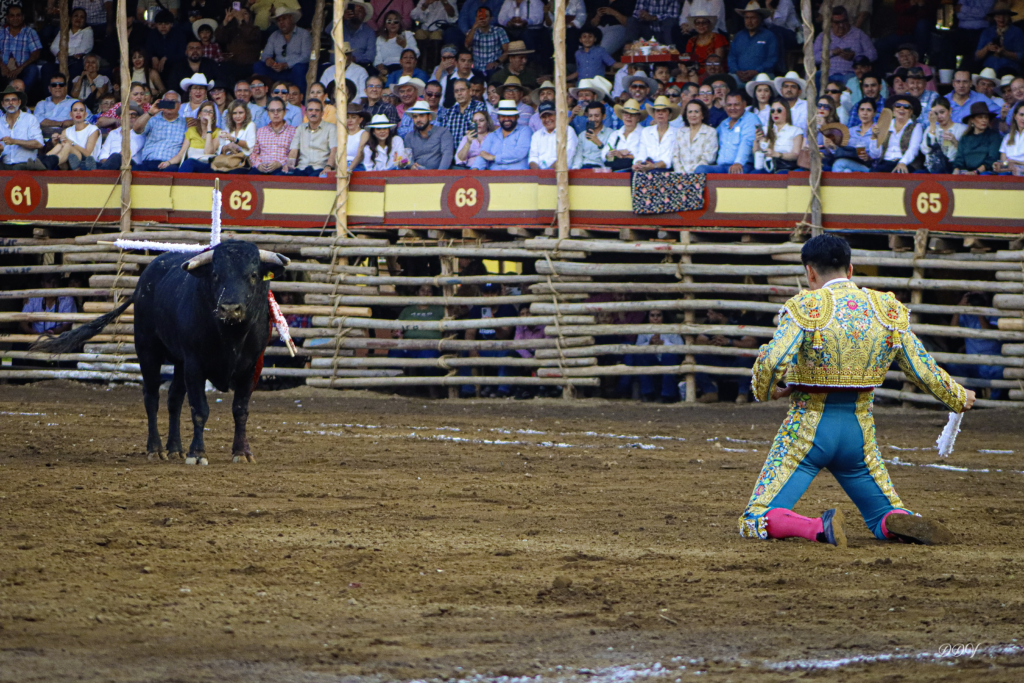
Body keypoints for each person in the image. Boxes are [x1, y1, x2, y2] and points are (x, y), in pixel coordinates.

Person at [739, 233, 974, 548]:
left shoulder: (806, 305)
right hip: (858, 432)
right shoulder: (886, 308)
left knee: (756, 518)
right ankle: (893, 519)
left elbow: (772, 360)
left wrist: (768, 391)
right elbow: (922, 369)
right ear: (850, 270)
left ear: (810, 271)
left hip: (807, 429)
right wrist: (959, 397)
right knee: (883, 515)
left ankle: (817, 528)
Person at [460, 284, 517, 399]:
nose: (489, 295)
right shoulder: (477, 308)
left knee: (508, 355)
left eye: (493, 292)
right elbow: (470, 332)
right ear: (482, 294)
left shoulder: (507, 308)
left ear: (499, 293)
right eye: (486, 292)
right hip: (482, 348)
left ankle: (503, 389)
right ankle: (468, 390)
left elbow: (505, 335)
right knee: (464, 354)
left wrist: (494, 324)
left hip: (501, 347)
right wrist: (471, 348)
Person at [615, 309, 682, 403]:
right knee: (641, 356)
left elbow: (681, 347)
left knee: (669, 356)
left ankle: (667, 395)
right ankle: (648, 393)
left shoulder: (671, 329)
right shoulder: (645, 330)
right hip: (651, 359)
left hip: (668, 360)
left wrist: (664, 343)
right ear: (648, 317)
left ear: (663, 316)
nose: (655, 318)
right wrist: (649, 344)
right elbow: (638, 348)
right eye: (652, 315)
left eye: (658, 315)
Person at [694, 308, 759, 404]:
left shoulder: (738, 323)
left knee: (746, 357)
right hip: (715, 362)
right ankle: (710, 392)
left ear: (720, 316)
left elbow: (751, 343)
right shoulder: (709, 323)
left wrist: (730, 342)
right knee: (696, 357)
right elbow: (699, 341)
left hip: (735, 362)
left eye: (711, 313)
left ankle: (743, 393)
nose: (708, 315)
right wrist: (710, 343)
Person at [947, 293, 1005, 399]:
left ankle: (994, 404)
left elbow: (988, 331)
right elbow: (953, 334)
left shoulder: (994, 313)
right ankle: (972, 397)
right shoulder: (965, 314)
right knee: (952, 365)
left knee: (1002, 371)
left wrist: (980, 313)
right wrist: (958, 309)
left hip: (992, 363)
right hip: (972, 363)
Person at [696, 91, 757, 173]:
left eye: (736, 104)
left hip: (743, 165)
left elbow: (747, 143)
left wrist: (738, 163)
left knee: (736, 172)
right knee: (701, 169)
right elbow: (710, 136)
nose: (732, 108)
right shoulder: (724, 123)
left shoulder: (751, 118)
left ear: (744, 104)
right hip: (722, 167)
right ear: (725, 106)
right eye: (729, 105)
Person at [813, 5, 876, 80]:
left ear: (848, 20)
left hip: (849, 74)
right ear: (831, 23)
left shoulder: (858, 34)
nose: (841, 25)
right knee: (813, 77)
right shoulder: (823, 35)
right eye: (837, 22)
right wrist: (831, 53)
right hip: (827, 74)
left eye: (844, 21)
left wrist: (855, 56)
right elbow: (813, 58)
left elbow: (873, 54)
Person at [255, 8, 311, 87]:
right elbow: (265, 54)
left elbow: (306, 56)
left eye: (284, 19)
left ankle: (300, 97)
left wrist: (287, 65)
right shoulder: (274, 35)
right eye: (279, 20)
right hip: (277, 70)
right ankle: (265, 95)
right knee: (258, 65)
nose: (281, 22)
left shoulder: (304, 34)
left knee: (300, 68)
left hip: (294, 70)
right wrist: (268, 60)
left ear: (291, 19)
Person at [132, 90, 187, 170]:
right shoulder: (152, 119)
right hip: (149, 162)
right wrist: (150, 112)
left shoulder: (185, 123)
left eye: (173, 102)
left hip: (170, 165)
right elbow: (136, 129)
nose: (169, 104)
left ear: (179, 105)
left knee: (172, 171)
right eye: (166, 102)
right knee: (135, 170)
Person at [470, 98, 530, 169]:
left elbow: (519, 153)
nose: (506, 119)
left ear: (517, 117)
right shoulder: (492, 135)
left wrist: (493, 157)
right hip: (494, 177)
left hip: (518, 176)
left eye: (510, 116)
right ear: (498, 118)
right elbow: (482, 155)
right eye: (503, 116)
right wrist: (475, 169)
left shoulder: (525, 131)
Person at [286, 98, 338, 175]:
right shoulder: (300, 128)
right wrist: (289, 166)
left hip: (320, 169)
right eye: (310, 110)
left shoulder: (331, 128)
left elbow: (334, 150)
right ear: (306, 113)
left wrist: (328, 166)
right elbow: (294, 150)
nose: (313, 113)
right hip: (301, 168)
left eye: (317, 110)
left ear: (322, 113)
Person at [41, 100, 98, 170]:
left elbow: (88, 153)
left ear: (85, 115)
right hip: (68, 161)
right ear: (71, 114)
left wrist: (72, 143)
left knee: (68, 145)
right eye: (75, 110)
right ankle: (42, 162)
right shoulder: (66, 131)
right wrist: (55, 142)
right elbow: (62, 150)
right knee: (59, 146)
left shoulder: (93, 129)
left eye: (81, 110)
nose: (78, 112)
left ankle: (44, 163)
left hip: (86, 161)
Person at [728, 1, 777, 83]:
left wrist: (756, 71)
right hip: (739, 76)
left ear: (760, 19)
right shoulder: (739, 36)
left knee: (763, 80)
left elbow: (772, 60)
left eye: (753, 18)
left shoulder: (769, 36)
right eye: (746, 18)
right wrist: (737, 71)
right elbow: (731, 57)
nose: (749, 21)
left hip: (760, 75)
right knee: (727, 82)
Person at [752, 98, 802, 173]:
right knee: (754, 174)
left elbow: (796, 154)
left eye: (779, 110)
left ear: (787, 111)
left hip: (785, 167)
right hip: (767, 166)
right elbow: (756, 153)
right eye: (772, 111)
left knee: (781, 174)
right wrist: (756, 141)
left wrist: (777, 154)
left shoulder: (795, 131)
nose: (775, 113)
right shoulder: (765, 130)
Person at [169, 100, 221, 172]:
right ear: (199, 115)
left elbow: (208, 152)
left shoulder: (218, 132)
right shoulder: (191, 130)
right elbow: (181, 154)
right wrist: (168, 162)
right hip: (191, 163)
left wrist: (209, 127)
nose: (207, 114)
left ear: (214, 117)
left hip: (208, 165)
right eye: (205, 111)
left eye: (210, 112)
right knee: (188, 163)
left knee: (191, 163)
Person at [249, 96, 296, 175]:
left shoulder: (293, 132)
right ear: (267, 113)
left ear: (284, 112)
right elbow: (253, 153)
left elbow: (295, 156)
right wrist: (258, 165)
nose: (276, 113)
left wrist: (280, 163)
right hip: (262, 168)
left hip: (282, 169)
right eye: (272, 111)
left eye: (279, 110)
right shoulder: (260, 131)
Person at [0, 5, 41, 93]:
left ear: (23, 17)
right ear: (7, 17)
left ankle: (19, 97)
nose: (15, 18)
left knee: (33, 70)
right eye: (12, 15)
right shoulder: (1, 32)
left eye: (18, 15)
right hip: (3, 69)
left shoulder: (30, 32)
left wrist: (20, 68)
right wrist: (2, 66)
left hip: (22, 69)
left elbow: (36, 53)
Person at [953, 101, 1003, 174]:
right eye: (980, 117)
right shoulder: (965, 138)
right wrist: (956, 170)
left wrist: (976, 172)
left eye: (986, 117)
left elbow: (992, 158)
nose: (984, 120)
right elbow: (959, 158)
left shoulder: (994, 136)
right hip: (966, 172)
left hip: (986, 173)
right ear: (972, 120)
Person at [217, 7, 262, 84]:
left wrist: (242, 21)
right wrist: (225, 22)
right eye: (239, 13)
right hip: (233, 65)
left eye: (245, 13)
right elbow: (219, 38)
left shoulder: (255, 29)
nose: (241, 15)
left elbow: (250, 37)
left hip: (249, 65)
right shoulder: (231, 30)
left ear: (250, 17)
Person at [403, 100, 454, 168]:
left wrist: (439, 175)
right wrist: (411, 166)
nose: (418, 119)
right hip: (416, 175)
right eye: (415, 116)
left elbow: (447, 155)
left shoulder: (443, 132)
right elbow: (408, 158)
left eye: (421, 115)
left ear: (429, 117)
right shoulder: (409, 137)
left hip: (437, 175)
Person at [669, 99, 717, 173]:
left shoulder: (710, 132)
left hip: (700, 174)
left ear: (703, 115)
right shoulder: (680, 131)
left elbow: (709, 157)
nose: (693, 115)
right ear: (686, 115)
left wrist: (692, 173)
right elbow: (675, 156)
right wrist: (681, 173)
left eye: (696, 112)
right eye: (690, 112)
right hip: (680, 175)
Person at [632, 96, 678, 171]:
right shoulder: (646, 131)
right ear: (654, 115)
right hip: (647, 167)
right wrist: (638, 164)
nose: (660, 113)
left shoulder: (677, 132)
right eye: (657, 111)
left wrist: (654, 166)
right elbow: (641, 153)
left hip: (666, 170)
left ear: (669, 115)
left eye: (664, 111)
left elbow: (671, 158)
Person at [922, 97, 966, 173]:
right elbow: (925, 150)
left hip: (954, 166)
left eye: (942, 112)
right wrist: (932, 125)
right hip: (934, 168)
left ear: (950, 110)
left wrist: (954, 142)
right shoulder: (930, 128)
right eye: (936, 113)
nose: (939, 116)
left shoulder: (961, 129)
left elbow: (967, 153)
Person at [437, 77, 487, 144]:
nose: (459, 93)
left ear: (470, 91)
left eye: (462, 90)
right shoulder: (449, 112)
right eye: (456, 91)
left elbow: (480, 133)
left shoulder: (479, 107)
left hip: (472, 150)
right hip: (452, 152)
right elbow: (443, 137)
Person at [527, 101, 575, 169]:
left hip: (562, 173)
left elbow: (567, 156)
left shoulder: (567, 131)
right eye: (544, 117)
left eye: (550, 115)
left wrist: (548, 173)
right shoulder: (536, 135)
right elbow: (533, 157)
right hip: (540, 175)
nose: (547, 119)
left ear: (557, 115)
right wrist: (538, 174)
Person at [98, 104, 146, 169]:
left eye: (133, 115)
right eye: (126, 114)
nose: (129, 117)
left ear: (138, 118)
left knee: (116, 156)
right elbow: (104, 153)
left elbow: (128, 153)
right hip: (111, 165)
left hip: (131, 165)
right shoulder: (113, 133)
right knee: (93, 164)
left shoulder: (140, 133)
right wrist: (107, 162)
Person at [49, 8, 92, 79]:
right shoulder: (63, 31)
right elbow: (53, 47)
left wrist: (63, 52)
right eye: (76, 16)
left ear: (85, 20)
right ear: (71, 18)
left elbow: (84, 49)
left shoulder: (88, 31)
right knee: (47, 68)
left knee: (74, 69)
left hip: (75, 62)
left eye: (82, 17)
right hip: (59, 62)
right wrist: (60, 53)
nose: (78, 18)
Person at [374, 10, 420, 76]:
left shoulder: (407, 35)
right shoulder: (380, 39)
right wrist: (381, 69)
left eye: (396, 21)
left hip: (404, 67)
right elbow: (378, 58)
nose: (392, 23)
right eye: (389, 21)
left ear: (400, 23)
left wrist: (404, 45)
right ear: (385, 24)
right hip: (387, 69)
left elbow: (416, 54)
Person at [465, 7, 509, 74]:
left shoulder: (499, 31)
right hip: (476, 68)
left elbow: (507, 50)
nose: (483, 19)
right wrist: (474, 28)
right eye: (480, 16)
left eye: (486, 16)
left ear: (491, 18)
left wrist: (497, 62)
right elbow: (467, 45)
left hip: (494, 68)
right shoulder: (471, 32)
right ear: (476, 18)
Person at [35, 74, 78, 140]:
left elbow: (89, 120)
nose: (58, 87)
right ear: (49, 88)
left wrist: (72, 122)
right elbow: (37, 120)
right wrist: (60, 124)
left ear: (66, 87)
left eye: (61, 85)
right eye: (54, 85)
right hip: (44, 140)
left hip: (68, 139)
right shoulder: (41, 104)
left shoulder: (75, 103)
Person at [604, 98, 644, 171]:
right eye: (626, 113)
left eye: (632, 114)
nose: (628, 116)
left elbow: (643, 155)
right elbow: (604, 153)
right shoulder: (615, 134)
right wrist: (610, 154)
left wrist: (621, 155)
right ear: (622, 116)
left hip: (634, 172)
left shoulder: (644, 133)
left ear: (638, 117)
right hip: (614, 172)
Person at [684, 15, 728, 80]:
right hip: (696, 72)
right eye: (698, 23)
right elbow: (688, 58)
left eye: (704, 23)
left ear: (709, 24)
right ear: (695, 25)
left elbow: (717, 60)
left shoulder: (717, 38)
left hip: (713, 70)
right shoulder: (692, 41)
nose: (701, 25)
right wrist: (680, 57)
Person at [571, 101, 612, 169]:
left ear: (603, 116)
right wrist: (576, 169)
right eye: (590, 116)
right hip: (584, 168)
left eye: (596, 116)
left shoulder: (611, 134)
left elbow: (611, 157)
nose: (593, 119)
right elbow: (578, 156)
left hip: (601, 170)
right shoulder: (582, 135)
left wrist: (598, 142)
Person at [215, 99, 256, 166]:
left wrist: (234, 140)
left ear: (246, 113)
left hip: (243, 161)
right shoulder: (228, 127)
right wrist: (227, 147)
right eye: (234, 113)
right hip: (228, 159)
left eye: (240, 113)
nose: (237, 116)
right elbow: (221, 146)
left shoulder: (251, 125)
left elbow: (250, 146)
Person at [343, 0, 378, 66]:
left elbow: (370, 56)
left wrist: (355, 59)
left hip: (358, 65)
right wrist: (341, 18)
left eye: (360, 11)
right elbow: (328, 31)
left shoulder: (369, 32)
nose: (356, 13)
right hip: (335, 65)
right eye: (354, 10)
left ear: (365, 14)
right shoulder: (340, 26)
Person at [340, 103, 370, 172]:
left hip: (357, 166)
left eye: (353, 117)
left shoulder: (363, 133)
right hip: (341, 166)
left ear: (360, 120)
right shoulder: (342, 134)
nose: (350, 120)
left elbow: (360, 155)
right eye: (347, 117)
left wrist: (349, 169)